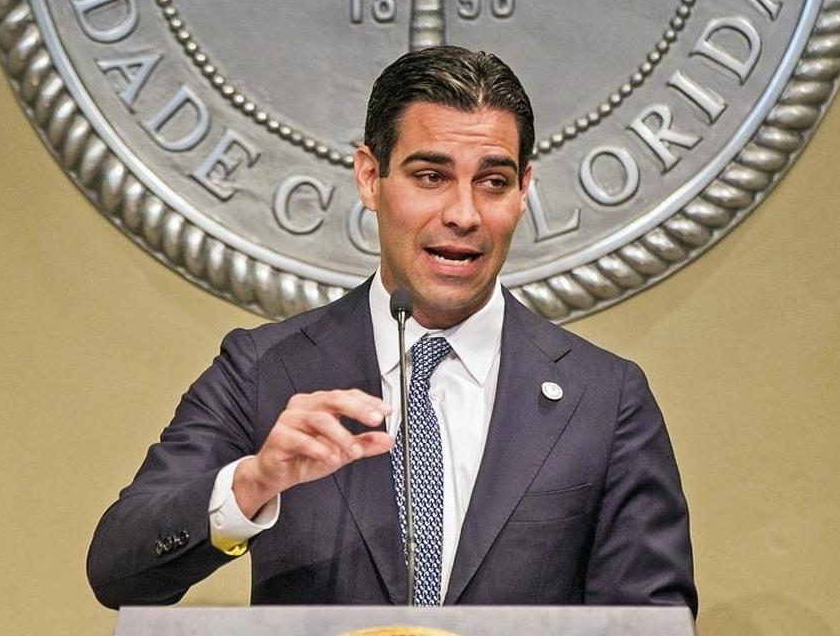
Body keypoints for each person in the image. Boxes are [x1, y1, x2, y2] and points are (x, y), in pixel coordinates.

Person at [87, 46, 696, 612]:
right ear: (369, 178)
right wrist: (251, 484)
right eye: (430, 176)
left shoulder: (606, 398)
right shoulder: (264, 370)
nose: (463, 214)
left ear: (524, 190)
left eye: (493, 181)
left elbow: (650, 621)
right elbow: (118, 568)